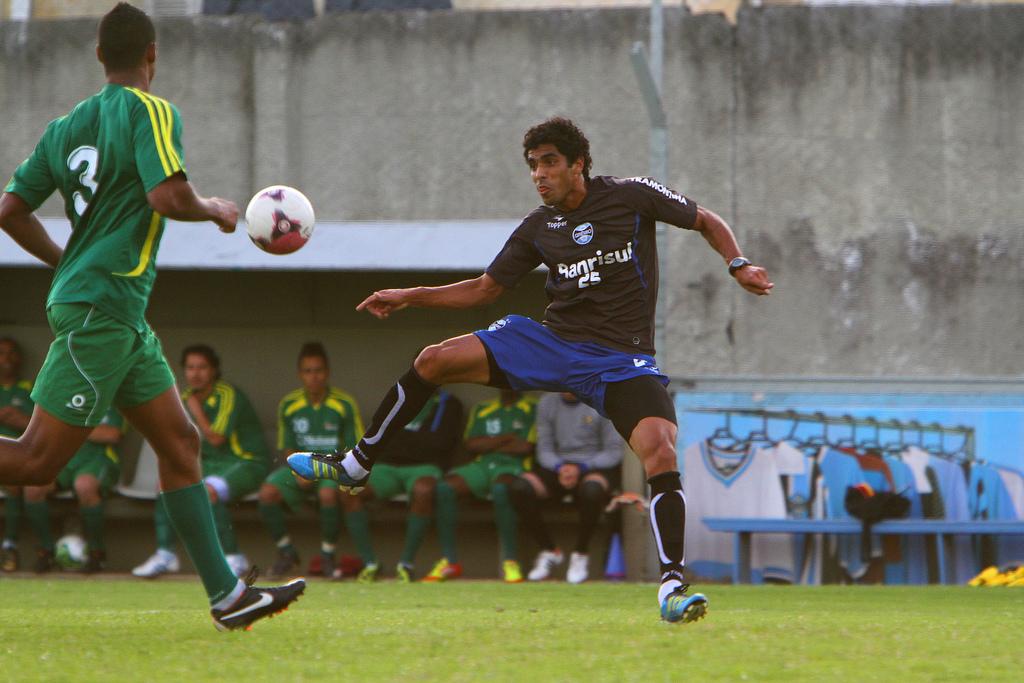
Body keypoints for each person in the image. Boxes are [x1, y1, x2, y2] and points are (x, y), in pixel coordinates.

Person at [290, 116, 772, 622]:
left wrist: (737, 264)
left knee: (660, 447)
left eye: (549, 163)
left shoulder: (630, 196)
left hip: (619, 359)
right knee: (432, 360)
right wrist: (412, 295)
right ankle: (357, 464)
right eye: (533, 165)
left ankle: (672, 585)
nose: (539, 174)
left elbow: (706, 220)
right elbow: (483, 290)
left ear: (577, 164)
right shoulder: (539, 227)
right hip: (550, 343)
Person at [0, 4, 303, 630]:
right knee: (36, 463)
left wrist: (65, 260)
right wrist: (216, 208)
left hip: (118, 313)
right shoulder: (152, 110)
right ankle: (226, 594)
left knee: (180, 442)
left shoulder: (65, 127)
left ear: (97, 54)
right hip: (101, 310)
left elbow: (9, 210)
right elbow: (166, 195)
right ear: (153, 54)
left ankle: (227, 596)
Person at [134, 345, 270, 579]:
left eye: (202, 367)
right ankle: (165, 554)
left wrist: (196, 410)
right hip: (212, 465)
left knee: (210, 491)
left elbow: (216, 439)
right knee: (165, 485)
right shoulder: (182, 398)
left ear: (214, 370)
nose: (195, 373)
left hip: (246, 462)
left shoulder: (227, 394)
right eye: (190, 368)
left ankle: (233, 557)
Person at [258, 342, 363, 579]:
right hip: (300, 467)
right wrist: (300, 470)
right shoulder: (289, 404)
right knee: (267, 493)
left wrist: (320, 469)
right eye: (308, 371)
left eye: (318, 371)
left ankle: (327, 556)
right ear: (300, 375)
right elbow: (287, 447)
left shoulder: (344, 403)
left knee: (328, 494)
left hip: (333, 468)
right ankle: (287, 554)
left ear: (327, 373)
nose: (313, 377)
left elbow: (354, 449)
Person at [341, 384, 463, 583]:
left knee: (423, 490)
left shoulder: (449, 404)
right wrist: (416, 441)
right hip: (387, 467)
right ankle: (370, 564)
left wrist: (403, 441)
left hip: (425, 467)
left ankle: (406, 564)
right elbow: (378, 434)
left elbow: (439, 443)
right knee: (349, 489)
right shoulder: (400, 396)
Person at [422, 389, 535, 583]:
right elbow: (472, 445)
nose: (506, 382)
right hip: (482, 465)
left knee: (502, 489)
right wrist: (507, 438)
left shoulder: (533, 408)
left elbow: (526, 447)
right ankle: (450, 561)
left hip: (514, 465)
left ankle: (510, 561)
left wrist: (490, 443)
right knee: (444, 488)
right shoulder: (482, 408)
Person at [512, 392, 624, 584]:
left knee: (592, 490)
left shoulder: (603, 401)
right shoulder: (547, 403)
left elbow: (613, 452)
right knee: (520, 487)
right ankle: (549, 550)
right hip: (558, 467)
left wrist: (581, 467)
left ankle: (581, 553)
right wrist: (560, 467)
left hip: (593, 466)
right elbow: (544, 449)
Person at [23, 407, 124, 573]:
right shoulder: (67, 394)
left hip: (98, 459)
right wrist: (87, 430)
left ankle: (96, 553)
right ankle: (46, 551)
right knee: (33, 488)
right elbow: (48, 429)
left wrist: (72, 428)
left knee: (84, 486)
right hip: (65, 458)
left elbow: (112, 434)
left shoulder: (112, 397)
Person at [0, 337, 33, 572]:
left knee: (12, 483)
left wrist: (20, 420)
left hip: (14, 458)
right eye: (1, 353)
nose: (6, 359)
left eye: (12, 353)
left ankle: (10, 547)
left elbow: (45, 430)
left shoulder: (29, 390)